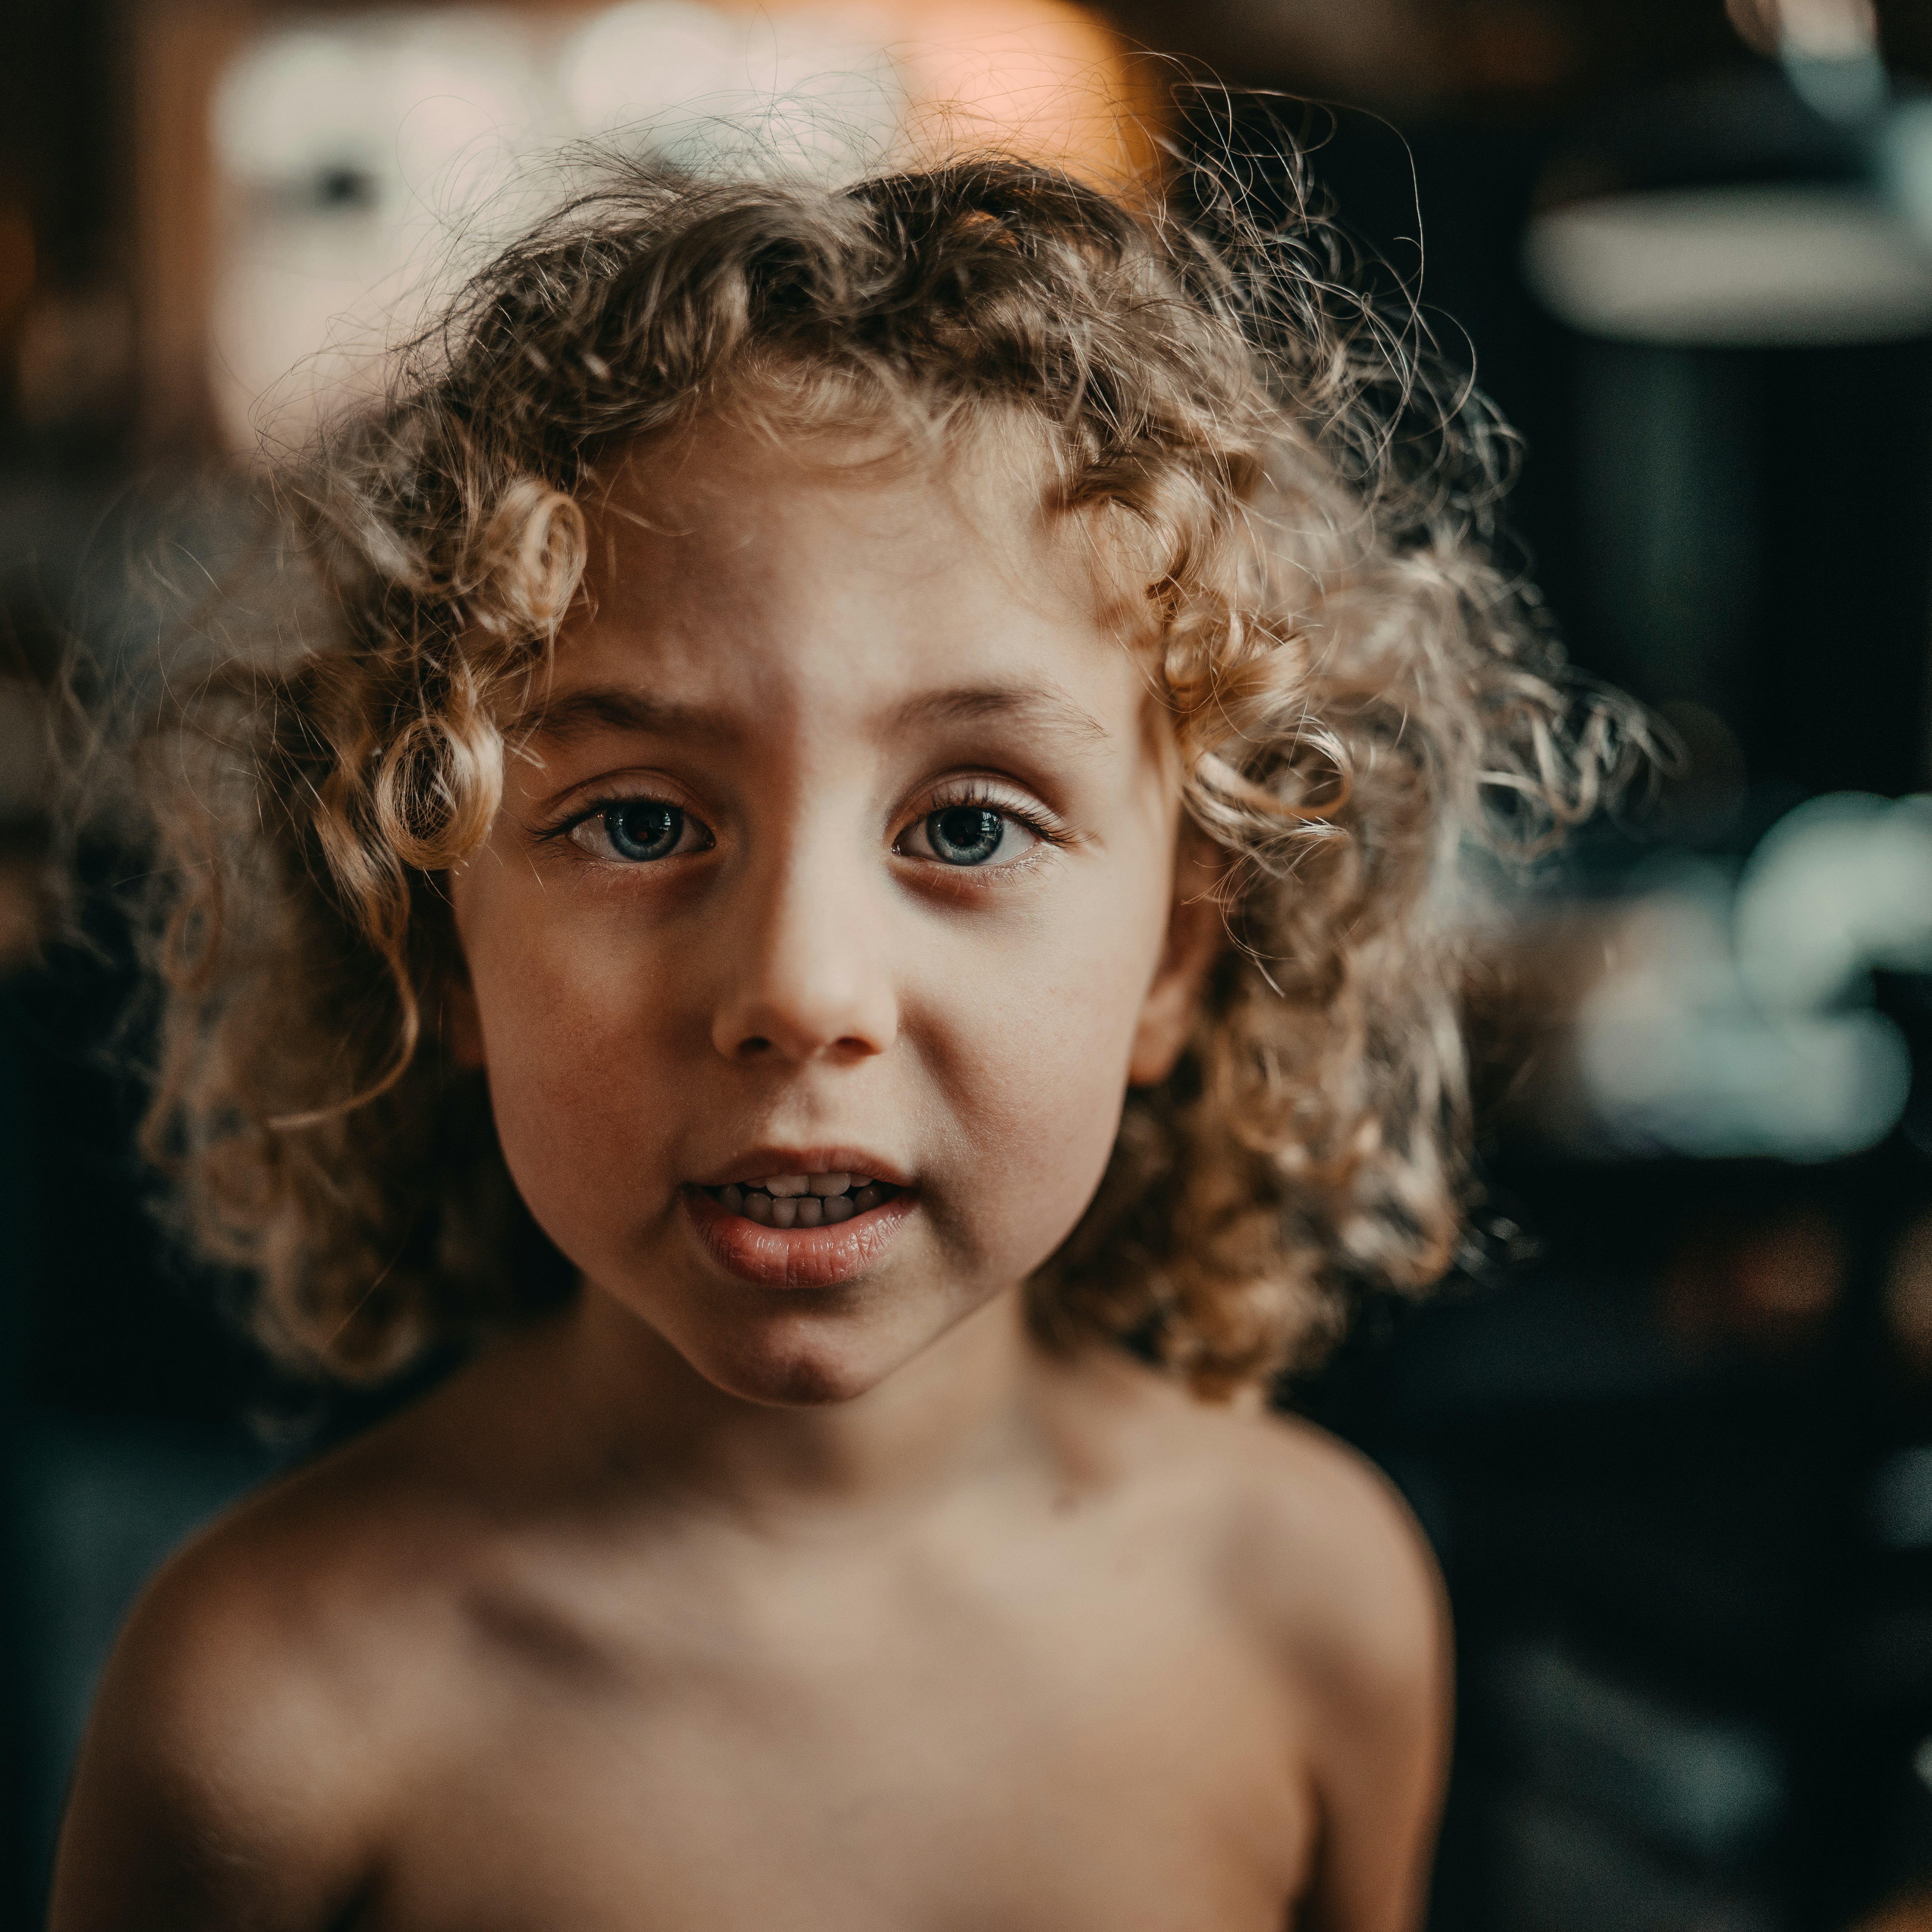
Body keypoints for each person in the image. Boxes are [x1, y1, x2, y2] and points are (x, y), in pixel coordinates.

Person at [48, 154, 1618, 1930]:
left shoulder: (1315, 1605)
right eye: (640, 824)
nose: (801, 990)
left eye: (966, 827)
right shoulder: (266, 1717)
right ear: (442, 942)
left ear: (1180, 957)